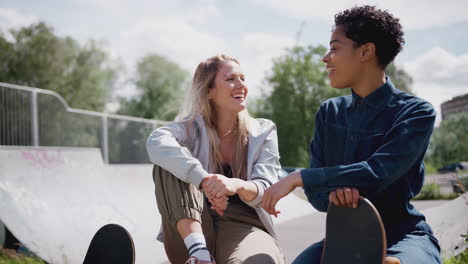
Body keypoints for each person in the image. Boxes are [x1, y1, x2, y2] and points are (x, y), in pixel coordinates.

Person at [261, 5, 441, 264]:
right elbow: (318, 198)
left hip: (404, 237)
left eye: (335, 48)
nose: (326, 58)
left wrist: (300, 177)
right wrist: (334, 195)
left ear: (366, 51)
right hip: (342, 238)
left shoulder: (417, 112)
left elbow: (378, 172)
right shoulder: (329, 112)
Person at [146, 54, 284, 264]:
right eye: (230, 79)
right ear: (209, 91)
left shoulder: (263, 131)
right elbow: (156, 141)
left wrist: (234, 184)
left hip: (244, 226)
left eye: (243, 78)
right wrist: (204, 180)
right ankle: (199, 252)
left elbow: (267, 192)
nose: (241, 85)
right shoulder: (189, 129)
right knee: (169, 159)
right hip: (190, 227)